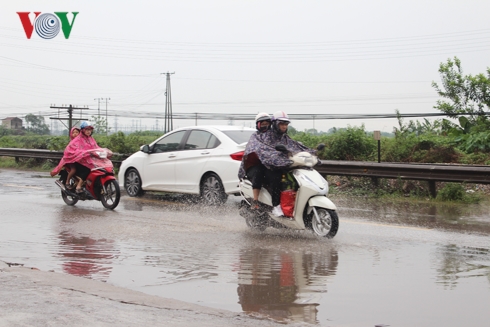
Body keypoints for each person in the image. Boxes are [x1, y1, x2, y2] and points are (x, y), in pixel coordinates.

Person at [248, 111, 316, 217]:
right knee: (272, 176)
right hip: (262, 164)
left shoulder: (283, 137)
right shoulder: (259, 136)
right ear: (258, 124)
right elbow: (262, 151)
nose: (265, 125)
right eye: (281, 124)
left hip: (277, 164)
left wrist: (311, 152)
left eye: (286, 124)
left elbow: (295, 146)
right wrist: (273, 158)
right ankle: (270, 204)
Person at [238, 112, 272, 209]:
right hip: (255, 166)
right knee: (258, 171)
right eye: (263, 123)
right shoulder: (255, 137)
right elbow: (252, 150)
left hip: (270, 165)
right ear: (258, 125)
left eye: (267, 123)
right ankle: (255, 200)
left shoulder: (274, 137)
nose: (265, 125)